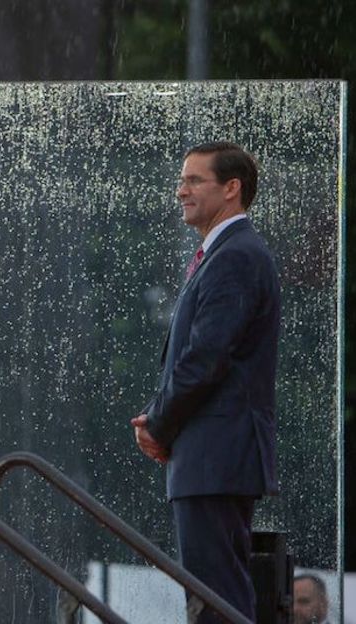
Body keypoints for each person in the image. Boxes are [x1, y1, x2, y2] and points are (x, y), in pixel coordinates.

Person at [131, 142, 280, 623]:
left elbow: (204, 359)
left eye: (195, 180)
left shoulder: (236, 255)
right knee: (214, 593)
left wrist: (158, 422)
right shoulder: (227, 254)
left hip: (217, 454)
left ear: (232, 189)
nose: (181, 191)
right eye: (181, 180)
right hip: (214, 455)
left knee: (214, 598)